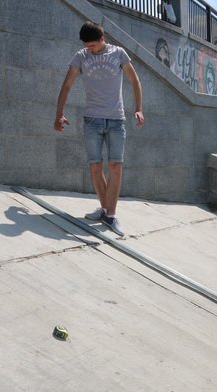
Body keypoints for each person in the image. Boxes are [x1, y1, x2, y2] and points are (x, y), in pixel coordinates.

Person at [54, 21, 144, 236]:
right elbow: (66, 85)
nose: (89, 49)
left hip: (116, 120)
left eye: (92, 45)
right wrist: (59, 113)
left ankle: (111, 216)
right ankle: (104, 209)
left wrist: (139, 109)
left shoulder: (119, 53)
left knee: (116, 166)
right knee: (95, 167)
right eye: (87, 46)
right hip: (92, 121)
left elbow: (134, 80)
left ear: (102, 39)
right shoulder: (81, 56)